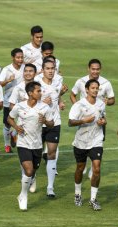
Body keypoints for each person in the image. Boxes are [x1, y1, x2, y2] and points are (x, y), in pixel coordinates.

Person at [7, 81, 54, 211]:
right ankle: (23, 195)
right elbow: (9, 118)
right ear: (30, 93)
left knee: (33, 171)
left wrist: (45, 121)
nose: (41, 93)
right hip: (23, 143)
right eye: (38, 91)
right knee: (28, 170)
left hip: (37, 144)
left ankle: (32, 179)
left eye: (40, 90)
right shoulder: (19, 106)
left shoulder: (45, 107)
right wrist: (16, 127)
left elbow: (51, 123)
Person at [70, 59, 115, 178]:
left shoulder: (106, 83)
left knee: (97, 141)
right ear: (88, 69)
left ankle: (92, 166)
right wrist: (77, 107)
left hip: (99, 118)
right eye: (93, 69)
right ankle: (84, 162)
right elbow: (72, 94)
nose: (95, 71)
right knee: (84, 138)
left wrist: (107, 101)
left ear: (100, 69)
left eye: (97, 69)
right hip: (85, 119)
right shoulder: (81, 81)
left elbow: (112, 99)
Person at [68, 79, 106, 211]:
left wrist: (102, 122)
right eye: (93, 88)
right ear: (87, 90)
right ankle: (77, 194)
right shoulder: (78, 105)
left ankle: (93, 199)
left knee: (96, 168)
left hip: (96, 140)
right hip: (81, 141)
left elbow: (102, 118)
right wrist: (84, 120)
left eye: (97, 88)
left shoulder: (101, 104)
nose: (95, 90)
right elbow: (70, 122)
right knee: (80, 168)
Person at [35, 59, 65, 197]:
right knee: (36, 152)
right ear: (42, 69)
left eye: (53, 68)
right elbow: (28, 100)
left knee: (52, 153)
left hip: (54, 122)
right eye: (48, 68)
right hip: (38, 122)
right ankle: (32, 178)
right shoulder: (36, 83)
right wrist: (41, 102)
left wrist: (61, 99)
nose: (51, 71)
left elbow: (56, 96)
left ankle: (50, 187)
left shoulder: (58, 81)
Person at [0, 48, 24, 153]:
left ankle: (14, 134)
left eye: (22, 57)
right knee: (7, 123)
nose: (20, 59)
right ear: (13, 58)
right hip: (9, 101)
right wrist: (8, 80)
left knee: (24, 121)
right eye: (18, 57)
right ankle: (7, 144)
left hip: (23, 101)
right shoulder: (6, 69)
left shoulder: (25, 68)